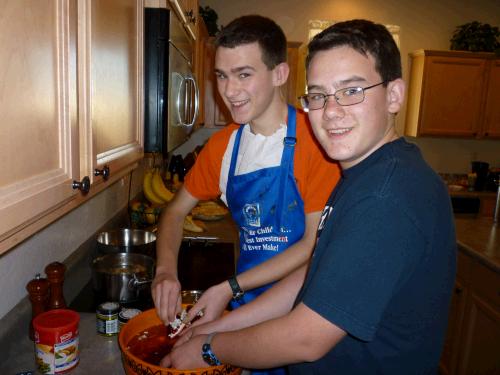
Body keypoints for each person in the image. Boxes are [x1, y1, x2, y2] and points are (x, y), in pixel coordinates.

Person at [161, 19, 457, 375]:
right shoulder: (364, 176)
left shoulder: (385, 198)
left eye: (351, 91)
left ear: (394, 95)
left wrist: (210, 349)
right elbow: (315, 276)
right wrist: (217, 326)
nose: (331, 111)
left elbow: (306, 338)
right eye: (318, 95)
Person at [152, 14, 340, 374]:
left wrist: (228, 287)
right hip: (245, 311)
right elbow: (175, 212)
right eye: (221, 76)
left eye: (244, 74)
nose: (229, 91)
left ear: (280, 74)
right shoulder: (224, 147)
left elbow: (311, 246)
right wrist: (165, 272)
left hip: (303, 315)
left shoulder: (316, 141)